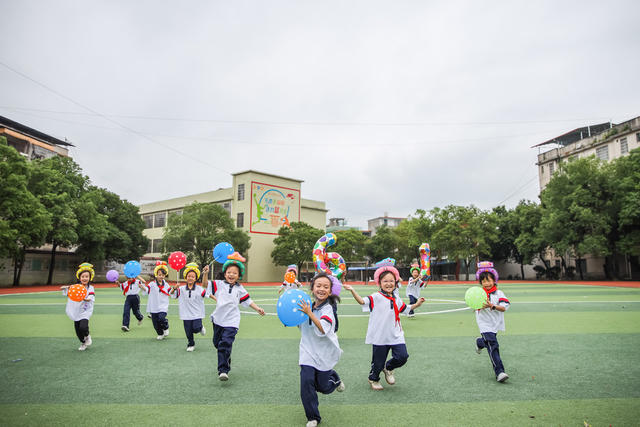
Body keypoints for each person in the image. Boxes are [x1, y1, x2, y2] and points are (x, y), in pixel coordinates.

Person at [344, 264, 424, 390]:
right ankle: (373, 379)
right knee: (377, 363)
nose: (389, 283)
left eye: (391, 281)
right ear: (379, 283)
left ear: (395, 282)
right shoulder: (376, 297)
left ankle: (388, 368)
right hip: (380, 335)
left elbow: (405, 309)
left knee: (402, 357)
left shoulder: (396, 298)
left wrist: (417, 304)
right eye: (385, 281)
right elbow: (362, 301)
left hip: (396, 334)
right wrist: (353, 290)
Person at [206, 253, 265, 381]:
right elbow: (205, 284)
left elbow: (248, 301)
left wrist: (258, 308)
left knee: (225, 343)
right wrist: (205, 273)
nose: (231, 275)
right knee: (217, 343)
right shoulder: (219, 284)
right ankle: (226, 357)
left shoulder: (240, 289)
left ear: (239, 276)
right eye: (229, 272)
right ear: (225, 273)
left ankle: (223, 370)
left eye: (234, 273)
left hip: (232, 321)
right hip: (218, 319)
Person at [297, 273, 344, 427]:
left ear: (330, 291)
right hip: (307, 351)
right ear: (312, 288)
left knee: (323, 387)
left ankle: (334, 379)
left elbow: (323, 329)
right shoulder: (306, 306)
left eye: (326, 287)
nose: (321, 289)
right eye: (318, 285)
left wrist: (309, 313)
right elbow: (299, 323)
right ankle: (313, 417)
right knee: (306, 382)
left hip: (324, 353)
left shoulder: (328, 309)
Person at [474, 261, 510, 383]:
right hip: (484, 324)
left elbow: (504, 307)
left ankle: (479, 342)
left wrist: (492, 306)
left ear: (494, 280)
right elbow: (473, 305)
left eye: (489, 280)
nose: (486, 283)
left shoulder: (499, 293)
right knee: (493, 346)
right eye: (483, 281)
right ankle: (499, 372)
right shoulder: (479, 294)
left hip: (495, 324)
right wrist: (478, 305)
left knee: (488, 343)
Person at [171, 262, 216, 352]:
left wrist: (217, 300)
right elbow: (172, 295)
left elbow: (208, 294)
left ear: (195, 278)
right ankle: (191, 344)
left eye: (192, 276)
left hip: (197, 314)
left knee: (196, 328)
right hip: (185, 314)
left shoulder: (199, 289)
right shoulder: (181, 289)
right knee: (188, 332)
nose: (190, 278)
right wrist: (174, 288)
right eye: (189, 276)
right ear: (185, 277)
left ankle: (200, 328)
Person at [60, 263, 96, 351]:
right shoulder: (75, 287)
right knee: (78, 332)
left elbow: (89, 298)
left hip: (85, 311)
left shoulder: (91, 288)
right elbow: (64, 290)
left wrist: (83, 298)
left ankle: (87, 335)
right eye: (83, 276)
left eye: (87, 276)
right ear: (79, 278)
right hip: (76, 311)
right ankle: (83, 342)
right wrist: (67, 287)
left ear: (90, 278)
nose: (84, 278)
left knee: (83, 327)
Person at [140, 261, 173, 340]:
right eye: (159, 275)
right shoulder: (152, 284)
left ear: (165, 275)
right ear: (156, 275)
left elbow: (170, 292)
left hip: (163, 305)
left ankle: (165, 327)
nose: (161, 276)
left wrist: (174, 289)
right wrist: (142, 287)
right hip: (154, 306)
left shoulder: (166, 284)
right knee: (155, 323)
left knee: (161, 318)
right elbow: (147, 290)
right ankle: (160, 333)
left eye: (163, 275)